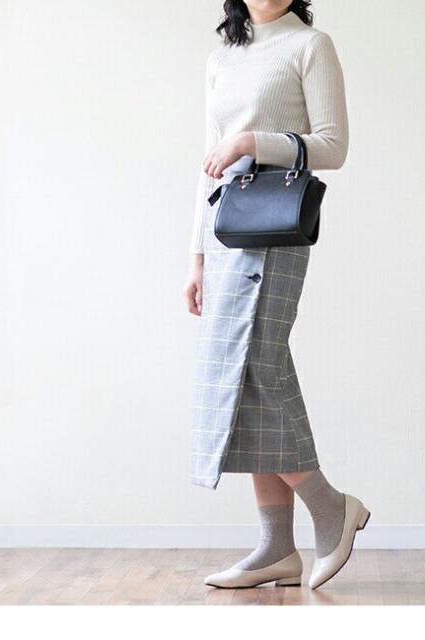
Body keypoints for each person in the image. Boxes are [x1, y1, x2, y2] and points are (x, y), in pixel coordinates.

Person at [182, 0, 370, 590]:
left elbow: (333, 146)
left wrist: (252, 142)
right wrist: (195, 257)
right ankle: (276, 549)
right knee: (239, 375)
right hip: (225, 228)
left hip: (277, 219)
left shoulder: (310, 45)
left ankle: (330, 507)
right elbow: (208, 164)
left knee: (258, 363)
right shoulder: (221, 58)